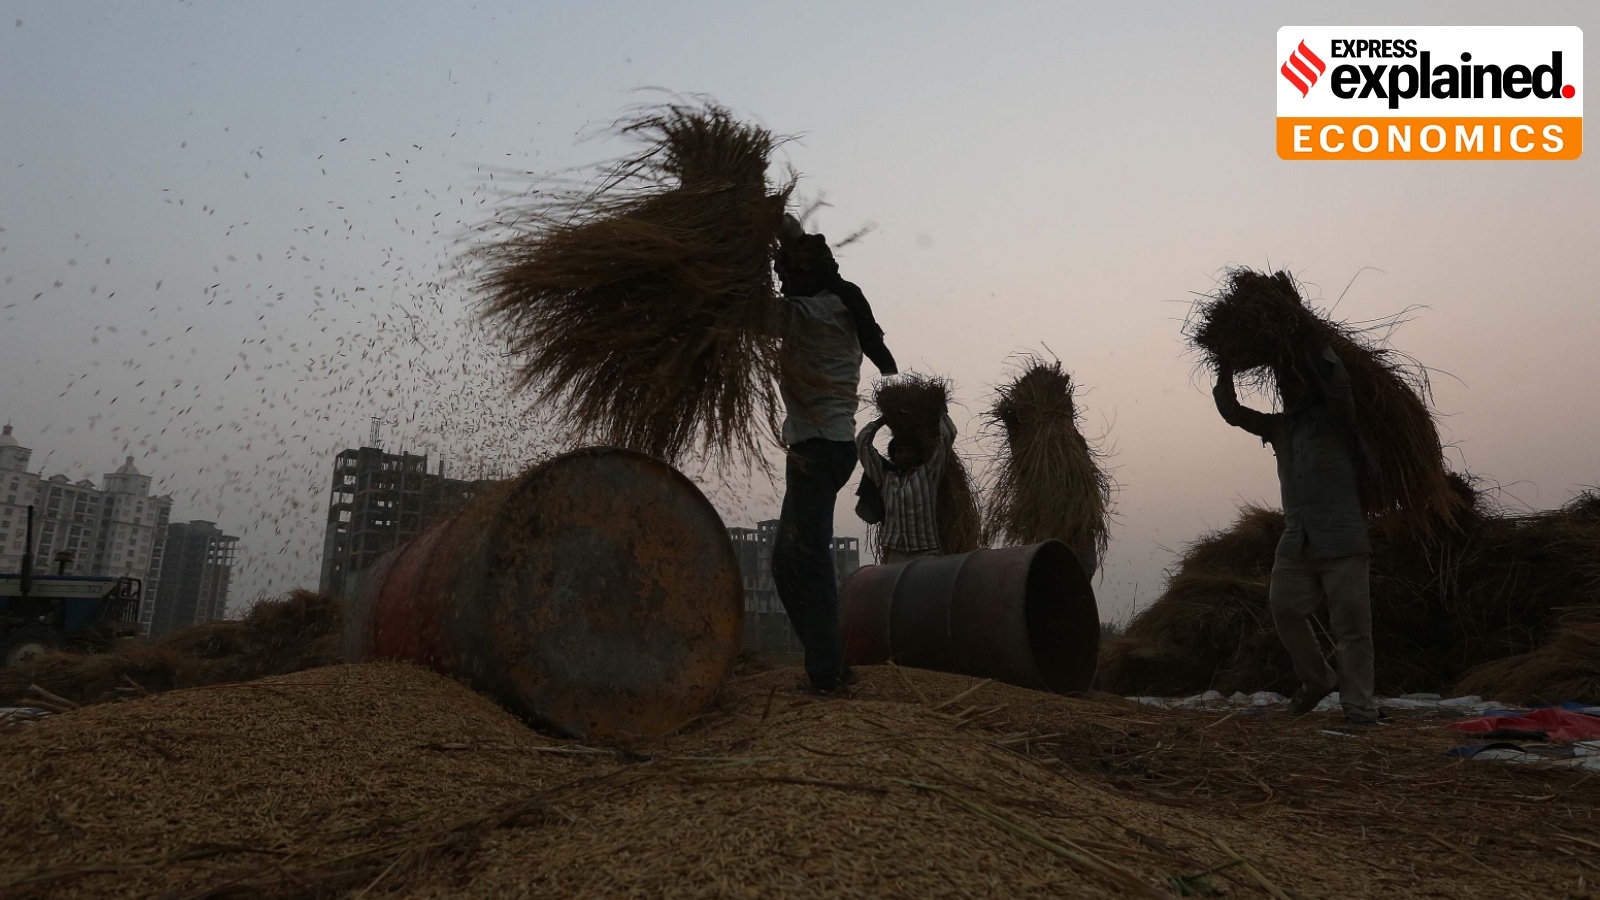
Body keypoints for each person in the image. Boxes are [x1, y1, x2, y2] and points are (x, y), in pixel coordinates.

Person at [1212, 343, 1383, 725]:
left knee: (1352, 629)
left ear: (1309, 385)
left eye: (1293, 384)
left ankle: (1358, 708)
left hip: (1342, 540)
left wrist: (1315, 344)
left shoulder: (1338, 418)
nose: (1287, 391)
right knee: (1284, 608)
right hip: (1296, 541)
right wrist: (1224, 367)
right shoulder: (1279, 428)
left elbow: (1339, 386)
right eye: (1283, 386)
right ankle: (1319, 679)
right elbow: (1233, 413)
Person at [769, 216, 897, 696]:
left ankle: (827, 674)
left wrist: (737, 251)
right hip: (823, 447)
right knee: (787, 561)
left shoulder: (815, 312)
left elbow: (747, 312)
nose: (782, 285)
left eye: (787, 276)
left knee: (808, 558)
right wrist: (782, 228)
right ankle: (828, 660)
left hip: (819, 450)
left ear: (807, 276)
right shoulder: (834, 301)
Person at [855, 414, 957, 565]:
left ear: (917, 454)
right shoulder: (884, 477)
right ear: (893, 455)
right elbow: (862, 442)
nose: (905, 456)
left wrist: (940, 414)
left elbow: (948, 435)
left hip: (926, 551)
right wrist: (881, 421)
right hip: (895, 552)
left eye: (910, 451)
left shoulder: (929, 474)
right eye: (900, 451)